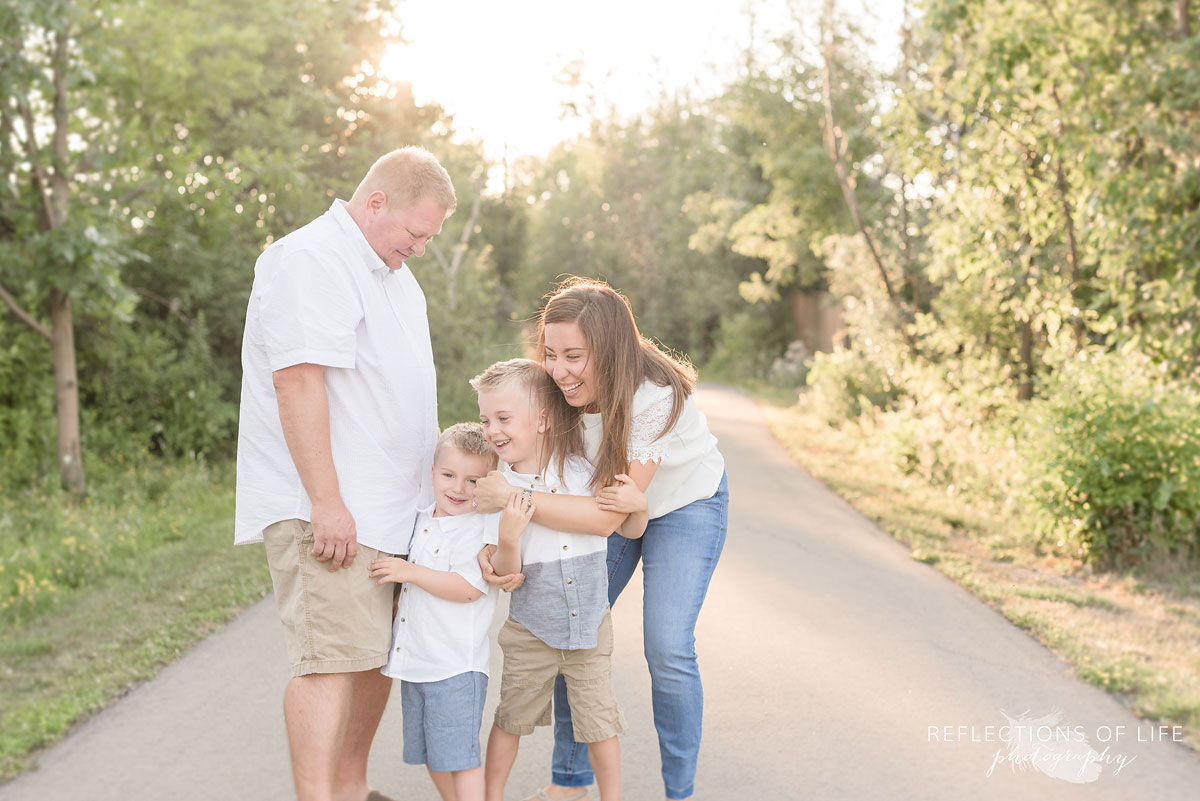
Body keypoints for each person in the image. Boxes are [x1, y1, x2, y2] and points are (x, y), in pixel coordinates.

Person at [234, 146, 456, 801]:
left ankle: (352, 789)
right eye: (416, 232)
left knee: (373, 656)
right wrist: (326, 501)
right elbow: (297, 381)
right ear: (376, 201)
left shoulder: (394, 276)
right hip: (333, 509)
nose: (419, 247)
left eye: (430, 238)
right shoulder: (312, 257)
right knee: (329, 661)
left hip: (392, 511)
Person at [474, 279, 728, 801]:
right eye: (550, 354)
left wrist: (511, 500)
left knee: (668, 647)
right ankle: (570, 784)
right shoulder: (553, 392)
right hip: (604, 502)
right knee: (573, 620)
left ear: (609, 352)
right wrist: (491, 537)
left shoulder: (653, 396)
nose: (560, 370)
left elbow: (606, 518)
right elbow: (517, 446)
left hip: (682, 505)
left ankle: (679, 793)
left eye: (574, 356)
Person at [470, 358, 647, 801]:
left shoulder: (584, 473)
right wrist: (508, 539)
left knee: (600, 722)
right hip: (531, 629)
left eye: (503, 418)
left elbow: (623, 528)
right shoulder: (496, 489)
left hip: (589, 628)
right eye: (485, 419)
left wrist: (639, 508)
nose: (492, 429)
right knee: (511, 717)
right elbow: (506, 573)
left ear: (543, 420)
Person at [367, 423, 523, 801]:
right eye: (449, 475)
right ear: (433, 473)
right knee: (432, 757)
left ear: (489, 483)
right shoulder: (421, 518)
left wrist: (409, 572)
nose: (458, 488)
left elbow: (470, 589)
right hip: (415, 663)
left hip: (454, 668)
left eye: (473, 481)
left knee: (460, 760)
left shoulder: (478, 529)